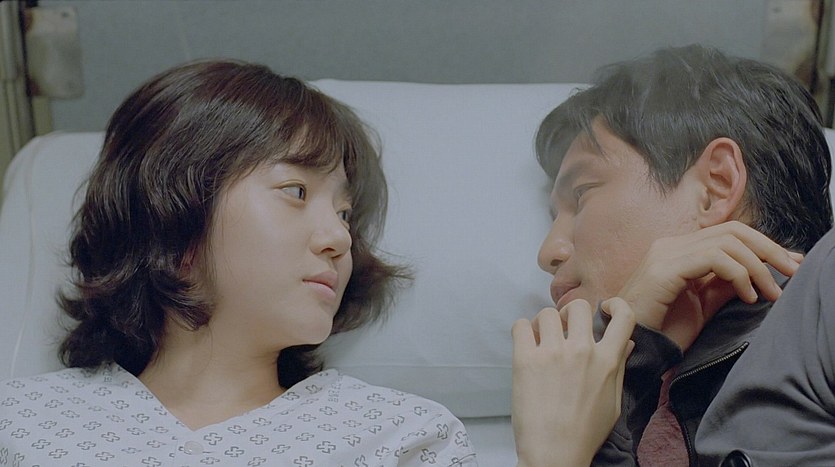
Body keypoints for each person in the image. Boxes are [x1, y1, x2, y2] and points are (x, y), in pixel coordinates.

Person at [0, 60, 476, 466]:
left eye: (345, 214)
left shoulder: (403, 436)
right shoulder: (22, 421)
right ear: (175, 210)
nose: (338, 238)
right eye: (296, 191)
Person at [510, 44, 832, 466]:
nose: (548, 252)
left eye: (583, 194)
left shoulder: (823, 287)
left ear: (715, 186)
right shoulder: (631, 417)